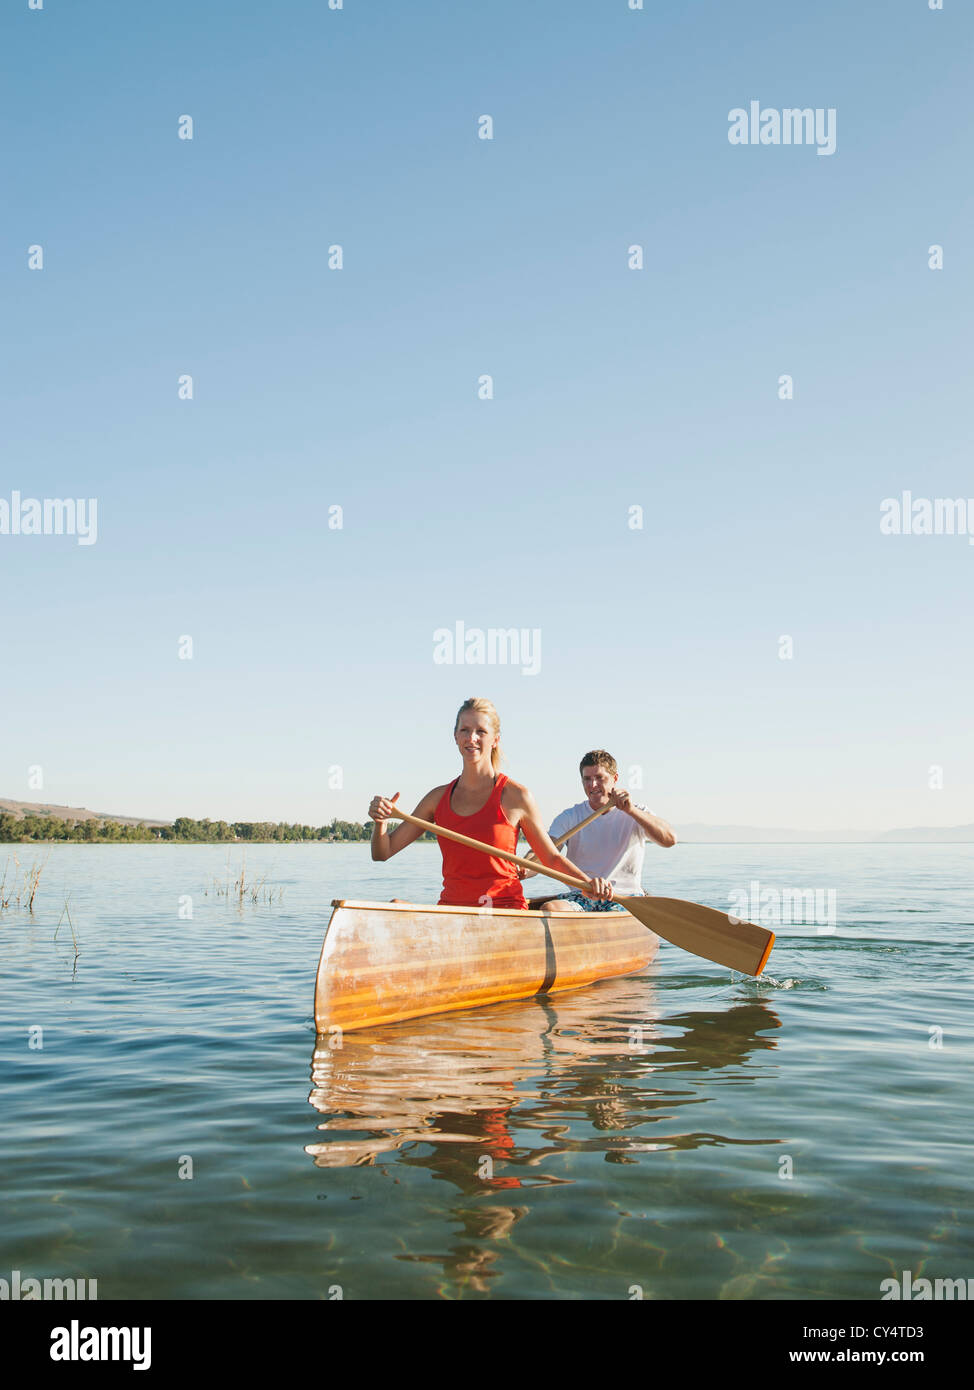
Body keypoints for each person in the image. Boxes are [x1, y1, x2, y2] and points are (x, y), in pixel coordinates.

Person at [368, 698, 612, 910]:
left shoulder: (516, 796)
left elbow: (550, 858)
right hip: (453, 911)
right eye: (464, 730)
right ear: (455, 736)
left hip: (503, 910)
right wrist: (380, 822)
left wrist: (587, 884)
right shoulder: (437, 798)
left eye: (480, 732)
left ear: (495, 739)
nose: (471, 738)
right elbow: (383, 852)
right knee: (395, 906)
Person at [532, 749, 677, 911]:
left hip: (625, 897)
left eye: (600, 778)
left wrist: (630, 811)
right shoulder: (569, 817)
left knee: (613, 912)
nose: (593, 785)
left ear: (614, 779)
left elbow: (669, 839)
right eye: (587, 779)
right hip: (583, 895)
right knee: (550, 909)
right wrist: (521, 870)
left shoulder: (637, 812)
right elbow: (543, 853)